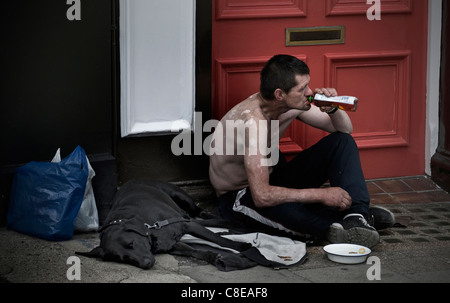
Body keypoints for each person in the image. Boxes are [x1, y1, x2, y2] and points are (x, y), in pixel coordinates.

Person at [209, 54, 393, 248]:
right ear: (280, 94)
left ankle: (356, 216)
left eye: (308, 85)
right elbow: (262, 195)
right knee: (300, 220)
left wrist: (333, 108)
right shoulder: (253, 122)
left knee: (342, 142)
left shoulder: (289, 105)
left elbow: (345, 130)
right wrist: (321, 195)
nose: (310, 92)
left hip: (273, 178)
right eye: (302, 88)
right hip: (240, 197)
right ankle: (336, 225)